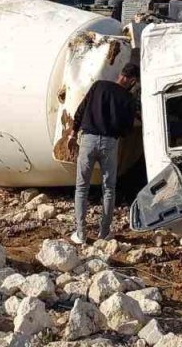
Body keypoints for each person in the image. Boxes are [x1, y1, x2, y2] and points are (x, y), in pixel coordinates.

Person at [70, 62, 140, 245]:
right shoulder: (129, 99)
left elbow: (81, 110)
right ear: (133, 81)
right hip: (109, 143)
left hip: (88, 140)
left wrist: (72, 133)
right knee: (109, 189)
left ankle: (81, 234)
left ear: (121, 74)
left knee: (82, 187)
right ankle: (104, 232)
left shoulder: (99, 86)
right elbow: (127, 129)